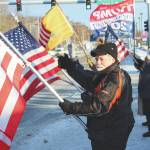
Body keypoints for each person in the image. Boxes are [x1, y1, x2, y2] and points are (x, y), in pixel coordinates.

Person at [58, 43, 135, 150]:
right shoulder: (105, 74)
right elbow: (88, 79)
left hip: (112, 133)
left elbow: (98, 107)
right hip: (104, 130)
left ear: (112, 60)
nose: (97, 62)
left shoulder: (114, 79)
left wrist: (71, 107)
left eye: (101, 59)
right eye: (97, 59)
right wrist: (70, 67)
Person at [134, 55, 150, 137]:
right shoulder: (146, 64)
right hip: (145, 91)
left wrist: (141, 63)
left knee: (148, 110)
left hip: (148, 92)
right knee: (147, 110)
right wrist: (138, 62)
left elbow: (143, 67)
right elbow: (141, 67)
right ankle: (148, 122)